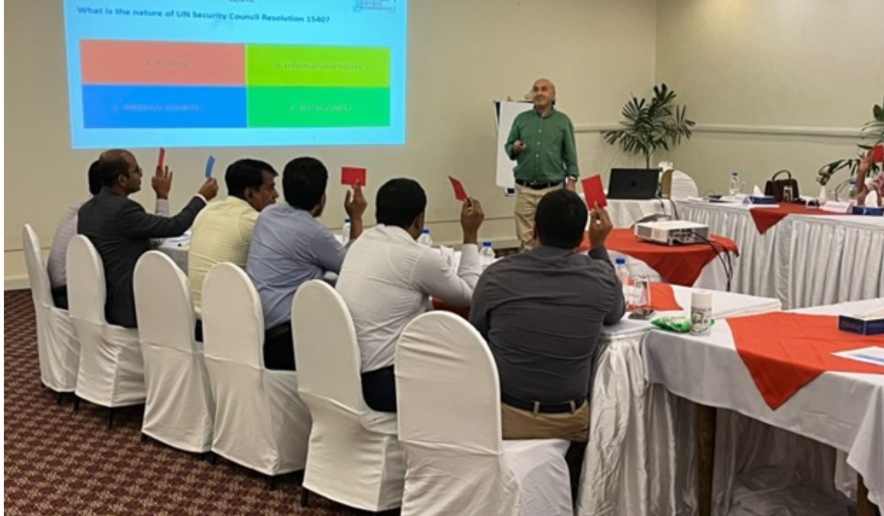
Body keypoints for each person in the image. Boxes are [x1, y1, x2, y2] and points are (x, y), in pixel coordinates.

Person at [469, 189, 625, 442]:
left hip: (504, 416)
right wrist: (598, 248)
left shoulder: (497, 276)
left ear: (533, 231)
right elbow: (615, 313)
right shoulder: (600, 278)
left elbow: (475, 335)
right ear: (579, 238)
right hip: (570, 421)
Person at [336, 178, 485, 413]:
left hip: (346, 376)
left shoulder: (362, 241)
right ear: (419, 219)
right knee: (471, 373)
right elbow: (470, 295)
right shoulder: (418, 256)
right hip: (382, 383)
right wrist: (470, 235)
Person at [246, 157, 366, 371]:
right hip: (288, 338)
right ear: (322, 198)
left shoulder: (267, 215)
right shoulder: (313, 233)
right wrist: (356, 218)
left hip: (258, 327)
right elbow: (352, 266)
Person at [77, 149, 218, 328]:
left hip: (102, 301)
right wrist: (202, 197)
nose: (142, 175)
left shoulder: (87, 210)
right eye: (137, 171)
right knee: (195, 312)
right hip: (131, 304)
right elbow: (175, 226)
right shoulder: (124, 211)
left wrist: (162, 195)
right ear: (122, 179)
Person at [47, 160, 172, 310]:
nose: (141, 175)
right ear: (119, 181)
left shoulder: (82, 208)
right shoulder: (107, 215)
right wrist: (162, 196)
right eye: (136, 171)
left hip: (64, 288)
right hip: (73, 295)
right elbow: (159, 238)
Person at [188, 159, 279, 335]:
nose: (276, 195)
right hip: (229, 328)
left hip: (194, 322)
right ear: (250, 194)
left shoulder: (206, 210)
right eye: (270, 188)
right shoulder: (254, 221)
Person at [505, 78, 579, 251]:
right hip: (525, 189)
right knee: (526, 240)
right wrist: (514, 148)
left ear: (553, 95)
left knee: (553, 237)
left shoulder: (562, 121)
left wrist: (572, 181)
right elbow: (509, 148)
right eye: (536, 89)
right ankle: (528, 272)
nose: (539, 93)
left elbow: (570, 154)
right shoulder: (521, 120)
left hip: (552, 189)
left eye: (544, 89)